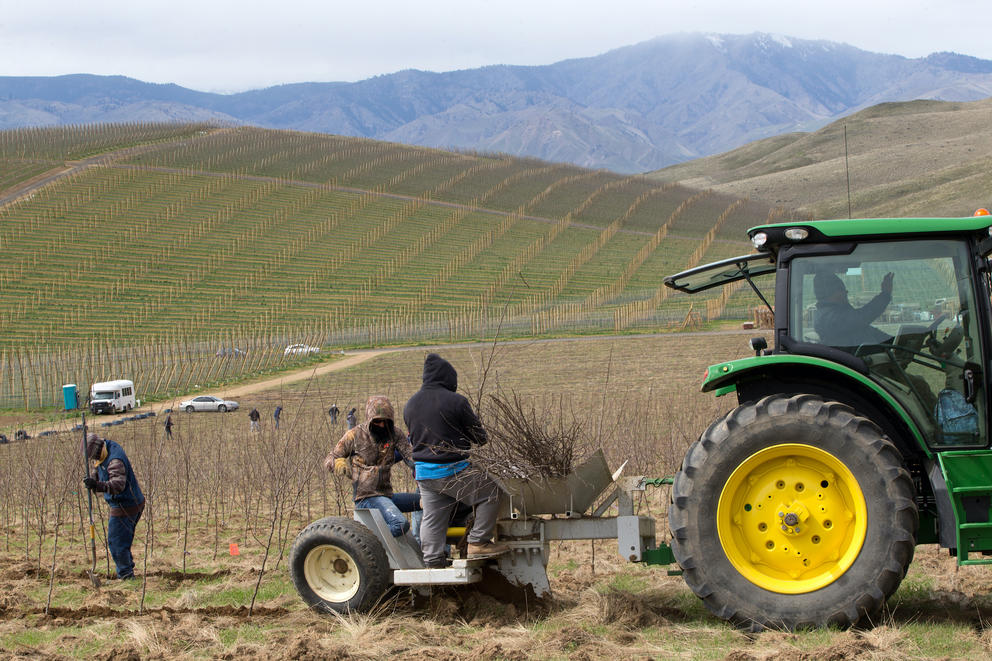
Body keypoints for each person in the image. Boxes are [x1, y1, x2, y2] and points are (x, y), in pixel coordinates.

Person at [404, 353, 507, 568]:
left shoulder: (410, 405)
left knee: (432, 517)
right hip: (453, 470)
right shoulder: (456, 401)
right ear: (449, 378)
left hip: (424, 474)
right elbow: (480, 437)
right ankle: (478, 541)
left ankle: (432, 560)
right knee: (493, 491)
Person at [324, 396, 422, 542]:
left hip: (387, 495)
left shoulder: (395, 434)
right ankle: (361, 543)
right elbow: (330, 458)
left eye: (385, 421)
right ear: (370, 419)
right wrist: (338, 464)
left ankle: (433, 552)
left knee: (428, 504)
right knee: (400, 524)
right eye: (377, 421)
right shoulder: (355, 434)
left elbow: (410, 456)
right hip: (366, 496)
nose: (381, 425)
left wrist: (432, 462)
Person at [83, 432, 145, 580]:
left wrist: (97, 485)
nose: (93, 460)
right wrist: (92, 479)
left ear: (98, 450)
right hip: (126, 502)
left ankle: (126, 576)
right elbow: (97, 467)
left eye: (93, 456)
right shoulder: (105, 449)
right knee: (122, 540)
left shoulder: (115, 460)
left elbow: (118, 485)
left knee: (116, 541)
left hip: (126, 504)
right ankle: (127, 569)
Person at [814, 271, 894, 347]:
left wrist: (895, 341)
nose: (846, 294)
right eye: (844, 291)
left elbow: (869, 331)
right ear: (837, 293)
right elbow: (863, 317)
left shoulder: (840, 314)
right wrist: (885, 295)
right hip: (849, 360)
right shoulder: (828, 318)